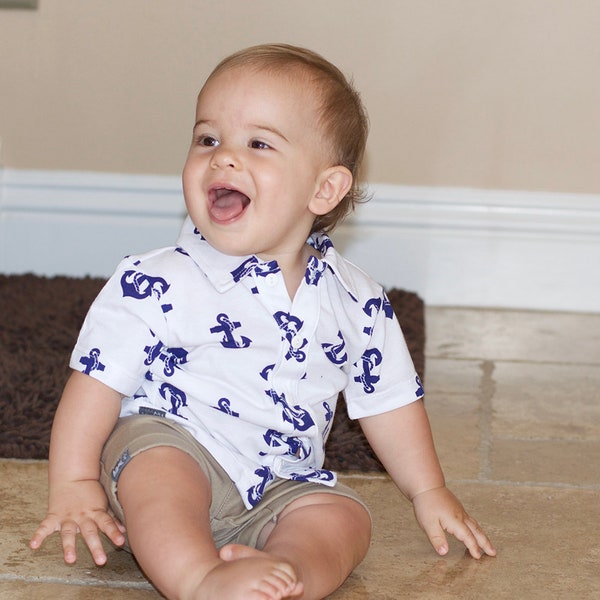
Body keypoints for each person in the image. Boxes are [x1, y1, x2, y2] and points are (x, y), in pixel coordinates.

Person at [30, 43, 495, 600]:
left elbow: (389, 401)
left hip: (282, 477)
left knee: (345, 517)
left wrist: (428, 490)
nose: (223, 157)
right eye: (208, 139)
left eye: (258, 143)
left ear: (323, 190)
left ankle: (288, 574)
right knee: (159, 470)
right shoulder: (157, 281)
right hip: (180, 441)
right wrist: (76, 484)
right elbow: (95, 383)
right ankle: (199, 578)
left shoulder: (357, 300)